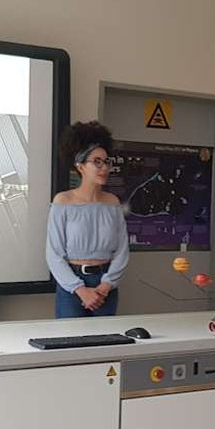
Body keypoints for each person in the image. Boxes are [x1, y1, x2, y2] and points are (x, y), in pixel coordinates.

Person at [46, 121, 128, 318]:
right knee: (69, 344)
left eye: (107, 162)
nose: (104, 168)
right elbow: (54, 254)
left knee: (105, 344)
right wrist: (80, 289)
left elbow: (122, 250)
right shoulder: (63, 201)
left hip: (105, 285)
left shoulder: (112, 202)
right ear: (80, 166)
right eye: (97, 162)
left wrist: (105, 286)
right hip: (72, 286)